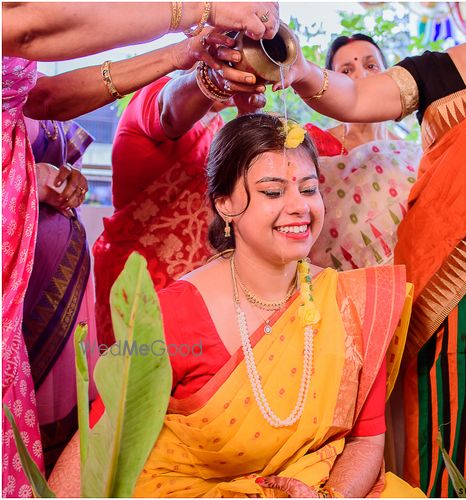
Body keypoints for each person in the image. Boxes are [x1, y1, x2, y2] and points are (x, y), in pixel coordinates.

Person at [50, 113, 422, 498]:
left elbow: (366, 441)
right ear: (226, 204)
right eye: (273, 192)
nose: (299, 207)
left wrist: (333, 497)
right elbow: (98, 442)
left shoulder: (351, 303)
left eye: (309, 190)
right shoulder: (175, 314)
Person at [2, 4, 277, 494]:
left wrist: (188, 55)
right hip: (149, 309)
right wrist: (198, 20)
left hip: (39, 273)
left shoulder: (216, 130)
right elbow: (173, 104)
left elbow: (39, 96)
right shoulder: (150, 109)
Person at [276, 5, 466, 495]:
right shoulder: (436, 72)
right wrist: (298, 68)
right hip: (430, 292)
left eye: (369, 62)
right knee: (435, 427)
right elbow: (353, 99)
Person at [91, 32, 268, 347]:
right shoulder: (152, 98)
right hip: (142, 287)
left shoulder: (218, 129)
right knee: (139, 392)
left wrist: (247, 116)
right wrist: (212, 79)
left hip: (205, 292)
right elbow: (170, 112)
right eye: (228, 49)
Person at [304, 34, 423, 271]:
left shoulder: (413, 156)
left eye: (371, 65)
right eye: (346, 71)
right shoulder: (315, 145)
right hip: (335, 290)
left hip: (411, 283)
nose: (362, 75)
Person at [21, 118, 93, 472]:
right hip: (20, 290)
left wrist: (71, 181)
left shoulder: (36, 91)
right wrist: (30, 177)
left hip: (63, 281)